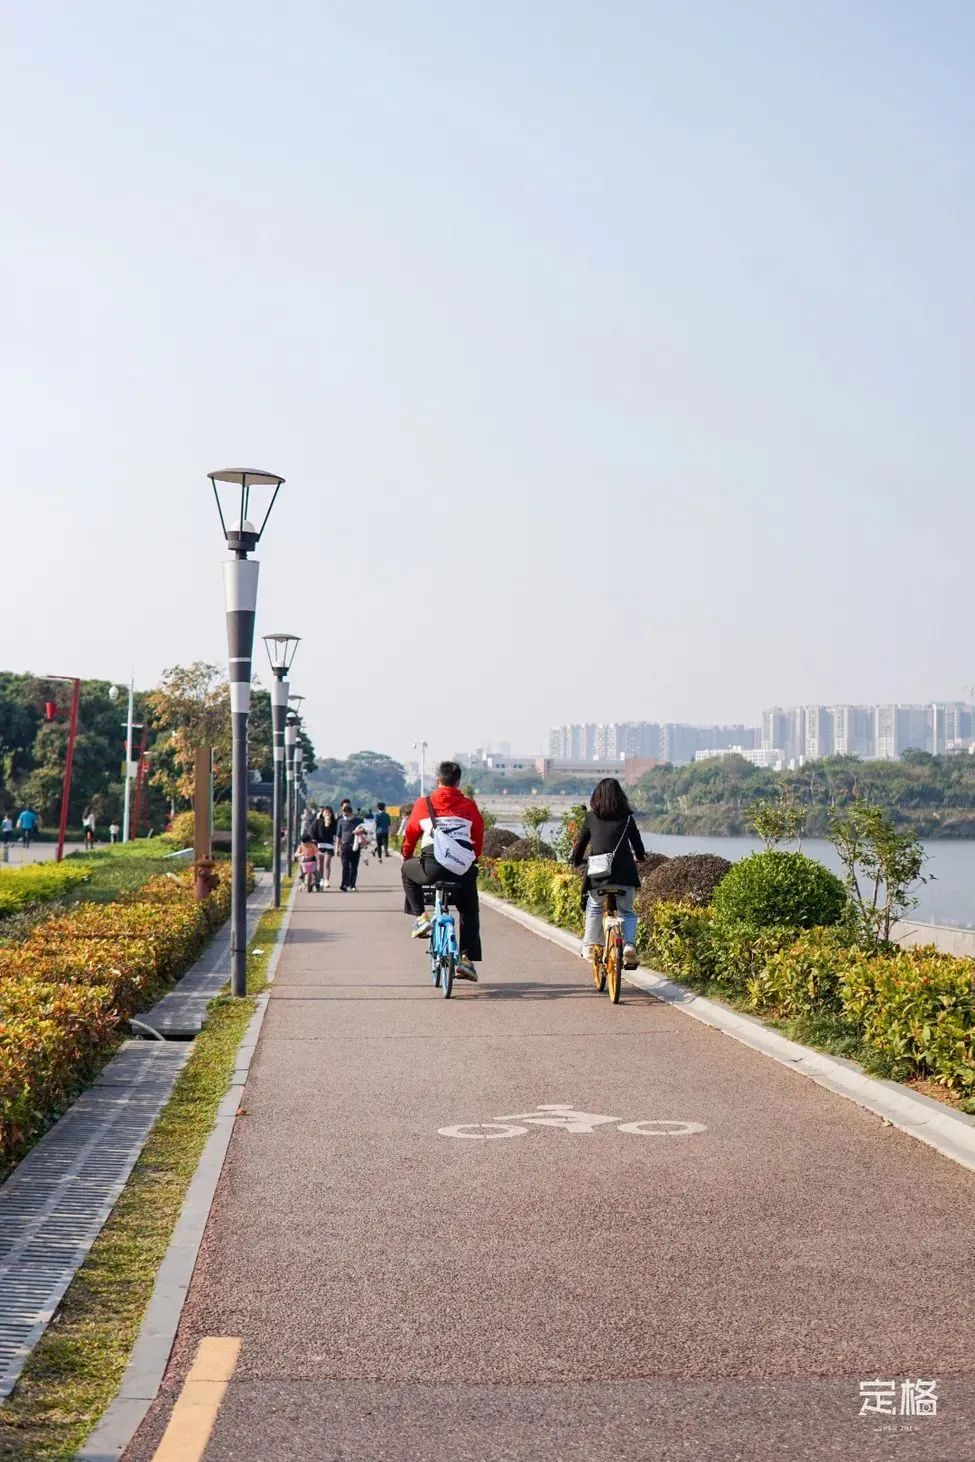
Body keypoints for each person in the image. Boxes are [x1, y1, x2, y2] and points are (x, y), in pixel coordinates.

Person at [401, 762, 484, 981]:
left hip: (432, 867)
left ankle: (420, 916)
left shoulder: (423, 803)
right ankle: (466, 959)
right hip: (461, 869)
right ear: (458, 782)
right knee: (470, 910)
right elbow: (478, 837)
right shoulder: (469, 805)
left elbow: (410, 835)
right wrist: (471, 859)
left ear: (438, 779)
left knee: (406, 870)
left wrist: (407, 854)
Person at [570, 777, 646, 970]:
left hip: (598, 876)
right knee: (627, 913)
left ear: (597, 796)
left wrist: (576, 860)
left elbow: (581, 844)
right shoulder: (628, 818)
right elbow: (638, 846)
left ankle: (588, 945)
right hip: (625, 875)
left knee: (594, 907)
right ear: (621, 797)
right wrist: (640, 856)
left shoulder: (591, 817)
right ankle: (629, 945)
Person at [336, 800, 363, 891]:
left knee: (354, 866)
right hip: (344, 846)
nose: (346, 814)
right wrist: (337, 848)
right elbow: (338, 836)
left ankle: (352, 885)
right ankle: (344, 884)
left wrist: (360, 832)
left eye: (347, 812)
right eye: (344, 811)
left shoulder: (358, 820)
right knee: (345, 866)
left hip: (356, 846)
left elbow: (366, 831)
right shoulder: (340, 821)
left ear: (351, 812)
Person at [314, 805, 337, 888]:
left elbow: (335, 833)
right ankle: (321, 880)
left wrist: (328, 824)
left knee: (326, 863)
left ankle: (327, 880)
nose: (327, 813)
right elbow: (313, 832)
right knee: (319, 865)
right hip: (319, 846)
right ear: (322, 813)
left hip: (329, 846)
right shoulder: (317, 821)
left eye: (329, 812)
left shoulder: (334, 822)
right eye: (325, 811)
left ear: (331, 814)